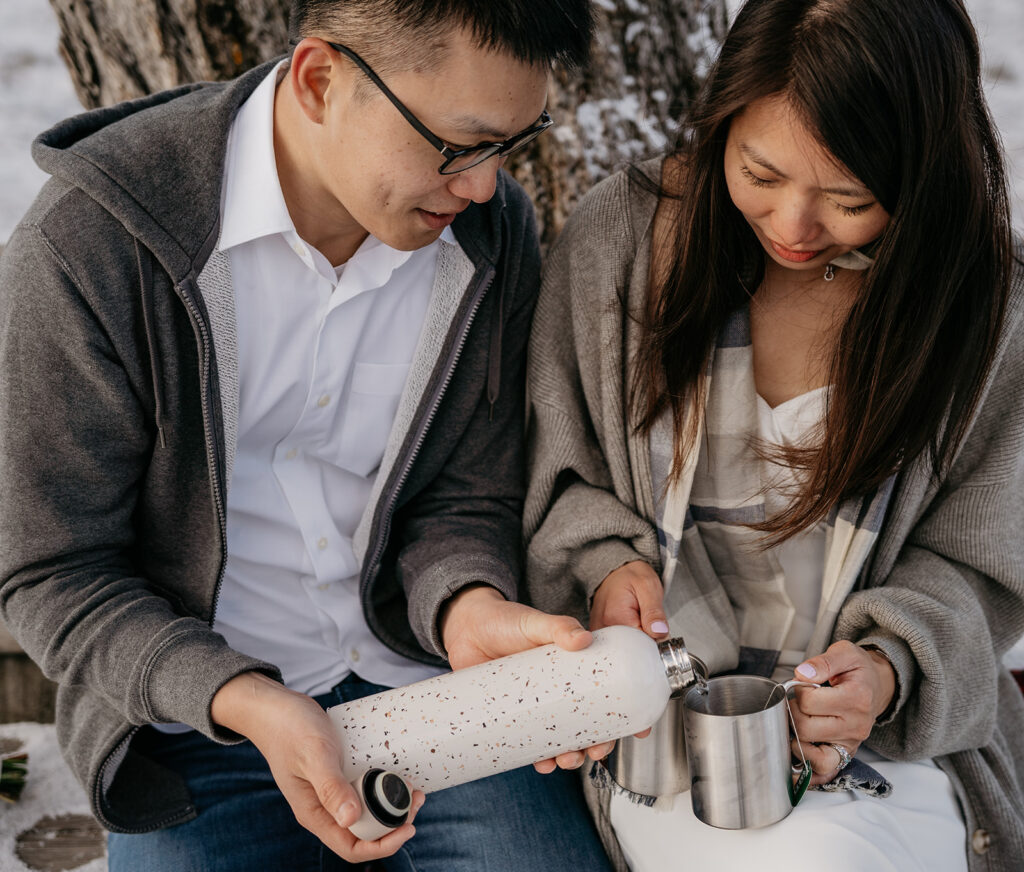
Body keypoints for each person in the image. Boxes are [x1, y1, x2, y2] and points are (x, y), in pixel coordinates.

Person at [0, 1, 617, 870]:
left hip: (428, 688)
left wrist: (466, 606)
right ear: (321, 79)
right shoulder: (91, 246)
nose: (483, 185)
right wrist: (242, 698)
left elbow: (465, 492)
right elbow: (51, 572)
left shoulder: (488, 234)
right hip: (197, 726)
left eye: (508, 144)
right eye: (457, 145)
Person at [524, 0, 1024, 869]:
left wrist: (890, 666)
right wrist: (609, 568)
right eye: (759, 172)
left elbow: (983, 563)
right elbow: (554, 471)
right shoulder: (626, 240)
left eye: (849, 198)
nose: (794, 227)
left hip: (886, 745)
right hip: (665, 734)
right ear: (721, 120)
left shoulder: (985, 311)